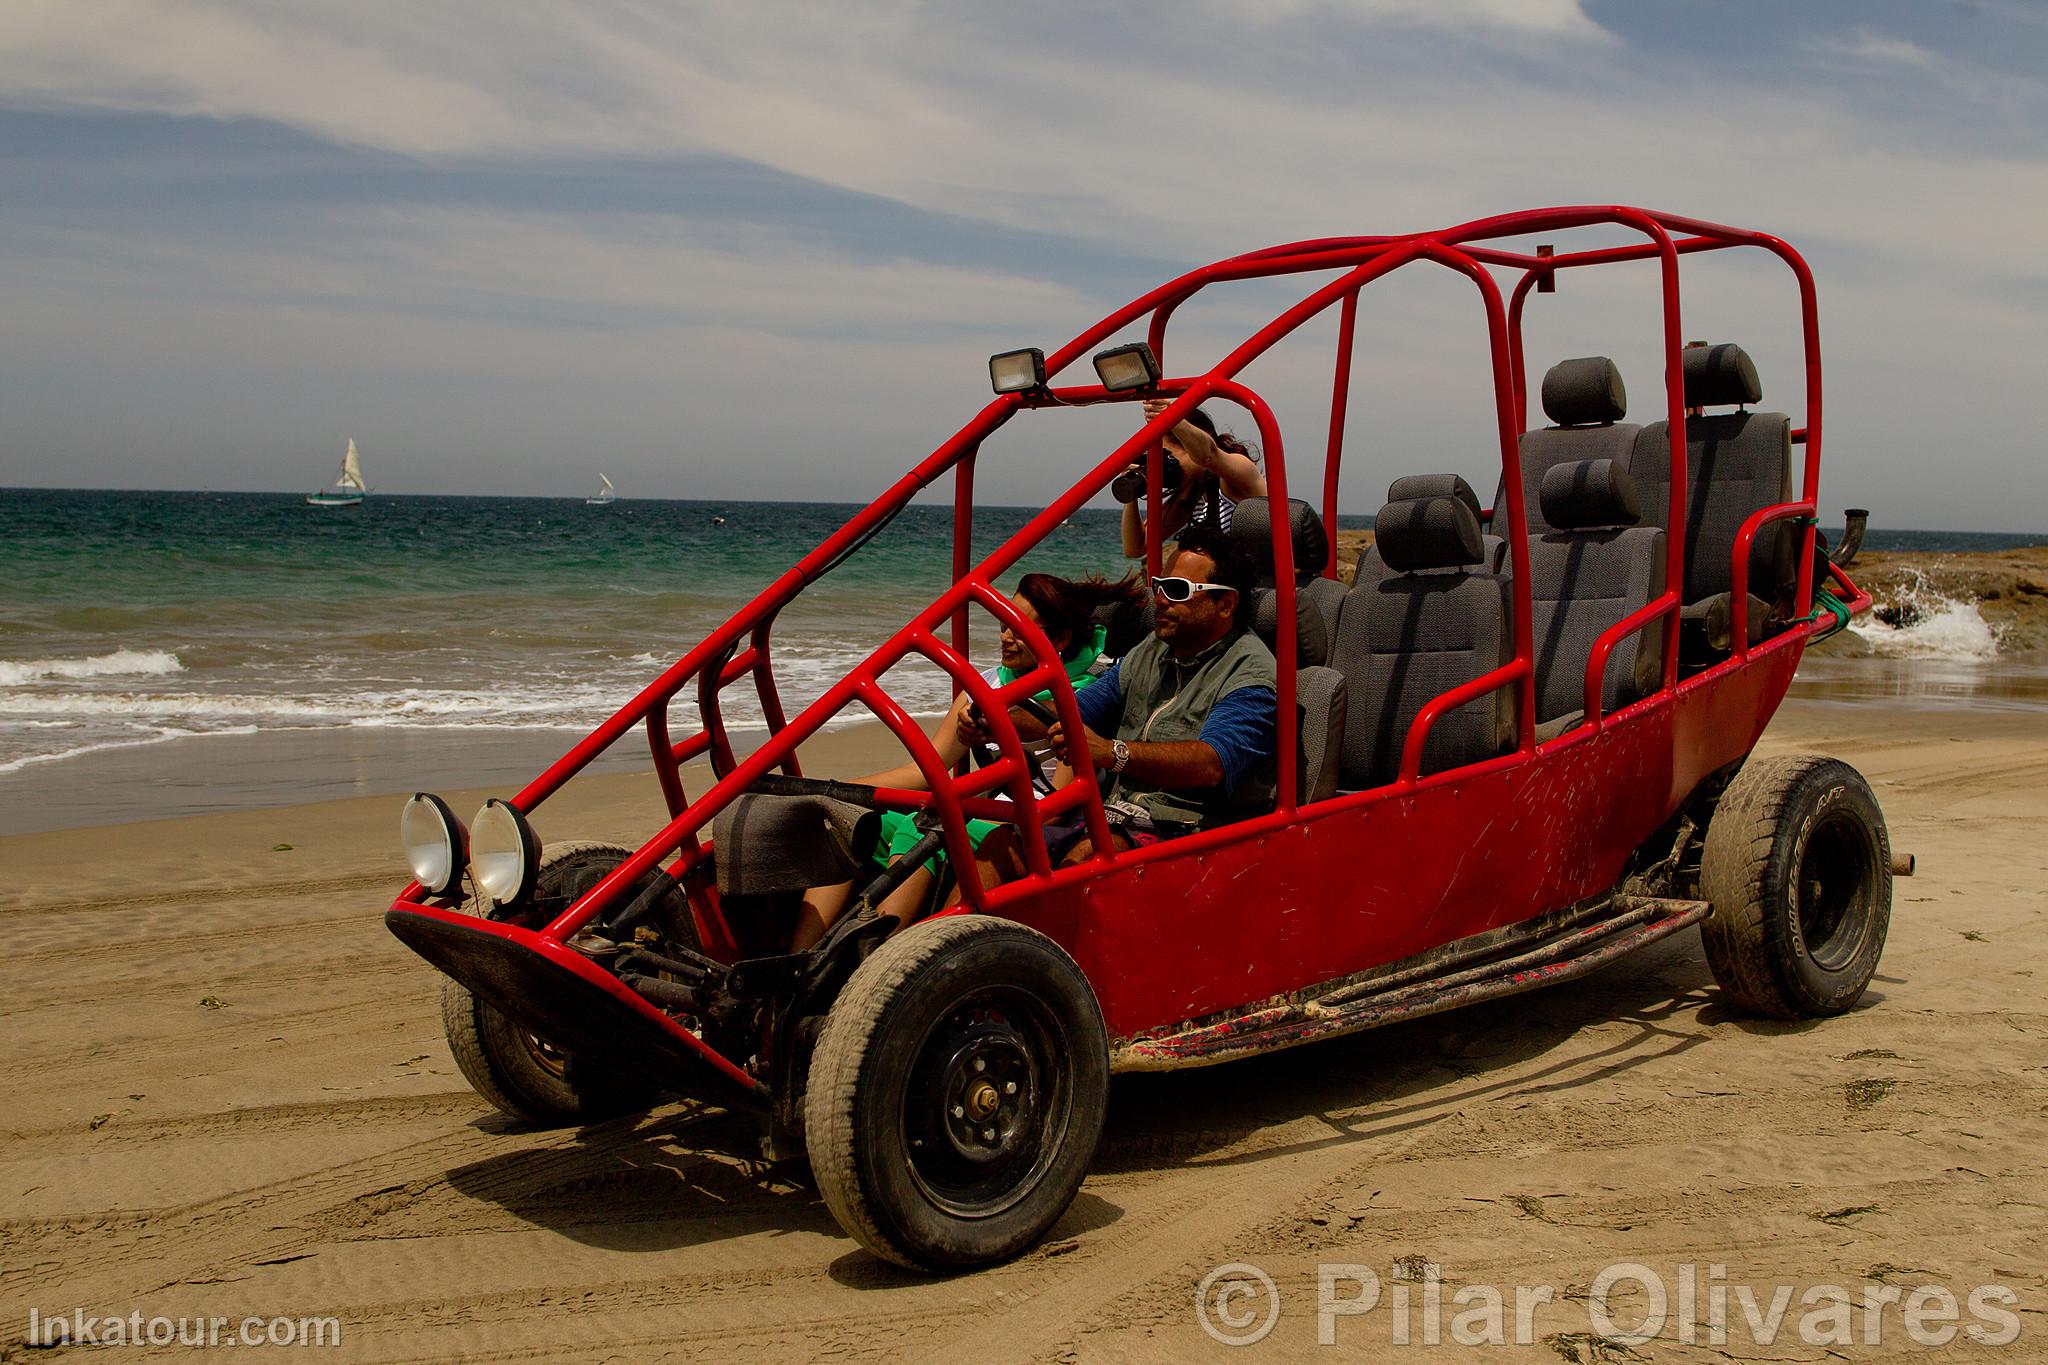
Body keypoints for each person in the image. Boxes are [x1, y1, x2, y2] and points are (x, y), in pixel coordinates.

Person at [788, 571, 1147, 950]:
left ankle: (883, 961)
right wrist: (840, 790)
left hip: (1035, 818)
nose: (1007, 637)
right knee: (843, 818)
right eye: (1004, 624)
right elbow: (925, 770)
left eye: (1021, 629)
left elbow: (1060, 802)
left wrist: (960, 806)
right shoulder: (986, 685)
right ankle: (799, 961)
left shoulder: (1083, 696)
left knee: (921, 827)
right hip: (985, 806)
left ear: (1059, 639)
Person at [967, 525, 1278, 886]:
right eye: (1160, 586)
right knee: (1002, 844)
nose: (1160, 599)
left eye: (1177, 591)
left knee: (1088, 857)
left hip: (1190, 832)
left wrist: (1114, 753)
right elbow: (1074, 711)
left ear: (1225, 604)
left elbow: (1211, 764)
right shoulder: (1153, 651)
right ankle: (942, 941)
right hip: (1114, 816)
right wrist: (996, 720)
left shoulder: (1251, 673)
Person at [1118, 400, 1268, 558]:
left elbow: (1207, 455)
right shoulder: (1192, 494)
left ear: (1189, 445)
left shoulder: (1238, 472)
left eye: (1166, 457)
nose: (1161, 469)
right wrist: (1130, 489)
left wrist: (1172, 418)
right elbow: (1135, 548)